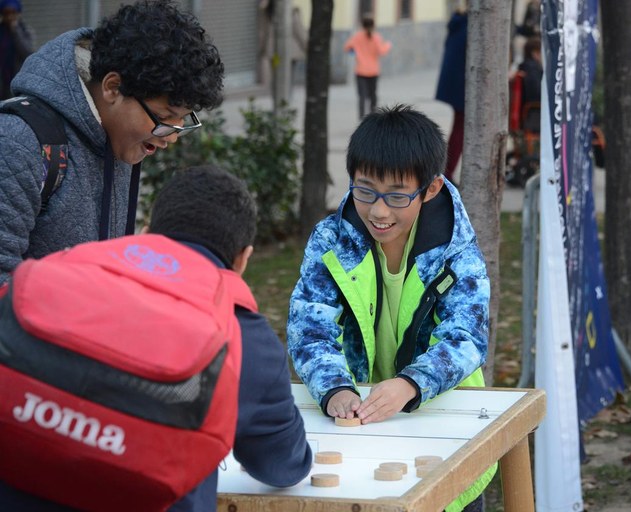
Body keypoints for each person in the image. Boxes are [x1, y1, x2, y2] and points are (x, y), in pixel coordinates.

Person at [0, 164, 314, 510]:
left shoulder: (60, 271)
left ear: (146, 233)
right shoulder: (244, 336)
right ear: (243, 260)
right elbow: (280, 465)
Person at [287, 104, 494, 512]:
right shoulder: (330, 241)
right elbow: (309, 327)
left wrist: (412, 384)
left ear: (430, 189)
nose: (379, 211)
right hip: (359, 422)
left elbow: (466, 336)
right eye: (365, 191)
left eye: (397, 196)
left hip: (445, 416)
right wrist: (334, 389)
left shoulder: (457, 249)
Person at [0, 0, 225, 285]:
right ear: (112, 88)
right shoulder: (18, 143)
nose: (171, 137)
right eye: (164, 117)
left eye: (182, 121)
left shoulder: (117, 139)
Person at [435, 7, 468, 184]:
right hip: (460, 85)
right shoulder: (471, 26)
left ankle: (447, 170)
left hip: (455, 83)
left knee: (459, 127)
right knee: (460, 129)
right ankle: (447, 172)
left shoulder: (459, 22)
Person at [343, 16, 391, 119]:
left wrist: (355, 53)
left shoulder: (357, 37)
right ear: (373, 26)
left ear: (362, 25)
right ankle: (373, 116)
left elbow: (347, 47)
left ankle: (361, 117)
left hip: (360, 70)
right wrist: (388, 45)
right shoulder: (376, 37)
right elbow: (381, 51)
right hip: (373, 71)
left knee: (362, 96)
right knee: (373, 95)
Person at [0, 0, 33, 100]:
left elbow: (27, 53)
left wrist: (15, 31)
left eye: (13, 13)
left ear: (18, 13)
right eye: (7, 13)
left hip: (17, 77)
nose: (10, 17)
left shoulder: (25, 31)